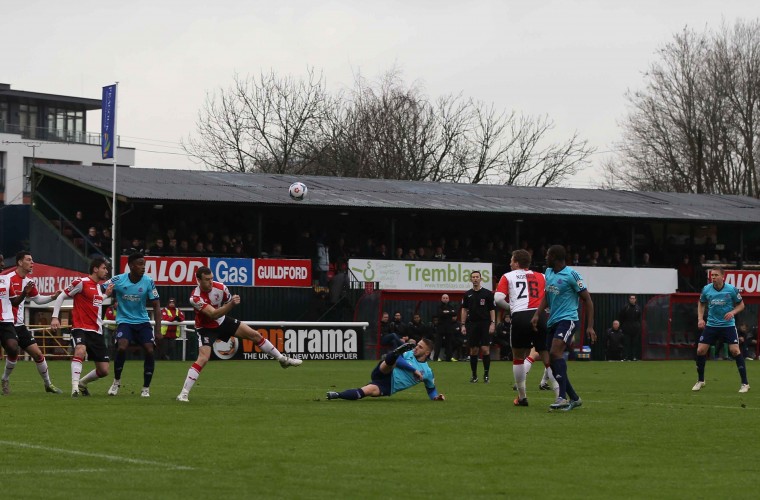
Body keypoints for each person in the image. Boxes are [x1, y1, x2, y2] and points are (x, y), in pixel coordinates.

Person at [176, 266, 302, 402]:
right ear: (198, 280)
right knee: (203, 358)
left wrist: (230, 303)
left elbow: (225, 304)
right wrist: (231, 305)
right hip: (205, 328)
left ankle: (282, 360)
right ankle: (183, 394)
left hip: (222, 321)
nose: (211, 282)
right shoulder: (195, 298)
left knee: (255, 335)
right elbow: (212, 314)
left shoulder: (221, 288)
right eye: (207, 279)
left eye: (212, 278)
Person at [531, 245, 596, 411]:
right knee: (550, 360)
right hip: (552, 321)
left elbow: (588, 300)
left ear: (555, 257)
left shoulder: (572, 275)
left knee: (554, 353)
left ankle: (561, 397)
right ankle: (574, 398)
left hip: (568, 319)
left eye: (547, 255)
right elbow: (546, 296)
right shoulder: (549, 273)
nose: (545, 258)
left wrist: (590, 326)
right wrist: (537, 314)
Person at [494, 249, 556, 406]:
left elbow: (498, 298)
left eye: (511, 260)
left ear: (516, 262)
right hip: (540, 316)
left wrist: (511, 308)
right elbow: (550, 296)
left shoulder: (507, 276)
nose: (509, 263)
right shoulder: (541, 276)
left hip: (520, 315)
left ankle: (522, 397)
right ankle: (559, 395)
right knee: (545, 355)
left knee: (518, 356)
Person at [50, 258, 113, 396]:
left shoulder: (98, 287)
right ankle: (74, 389)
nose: (106, 271)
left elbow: (95, 301)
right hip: (80, 327)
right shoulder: (81, 282)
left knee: (104, 370)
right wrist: (55, 317)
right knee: (80, 350)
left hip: (96, 330)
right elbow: (61, 296)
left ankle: (82, 383)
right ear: (95, 269)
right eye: (104, 268)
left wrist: (105, 295)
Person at [4, 251, 64, 394]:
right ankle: (5, 380)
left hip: (19, 325)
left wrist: (53, 297)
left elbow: (37, 299)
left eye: (32, 260)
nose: (32, 263)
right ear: (19, 262)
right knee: (13, 352)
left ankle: (48, 384)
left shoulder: (29, 281)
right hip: (5, 323)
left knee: (37, 354)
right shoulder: (7, 278)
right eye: (29, 260)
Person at [104, 253, 162, 397]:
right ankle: (116, 381)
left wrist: (158, 330)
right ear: (131, 266)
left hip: (142, 321)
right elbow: (100, 289)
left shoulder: (148, 281)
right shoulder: (118, 280)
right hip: (124, 321)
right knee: (122, 347)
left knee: (149, 350)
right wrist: (106, 294)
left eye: (144, 264)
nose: (143, 267)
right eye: (140, 264)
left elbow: (156, 305)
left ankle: (146, 388)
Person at [326, 338, 445, 401]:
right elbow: (399, 361)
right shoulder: (409, 354)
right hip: (386, 371)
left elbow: (431, 389)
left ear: (427, 352)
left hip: (388, 386)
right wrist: (413, 370)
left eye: (420, 347)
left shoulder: (428, 372)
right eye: (417, 345)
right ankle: (394, 353)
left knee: (366, 391)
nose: (416, 348)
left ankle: (337, 395)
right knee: (393, 361)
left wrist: (436, 397)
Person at [692, 267, 749, 393]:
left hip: (727, 325)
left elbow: (741, 304)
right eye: (712, 275)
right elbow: (701, 303)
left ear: (723, 276)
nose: (713, 277)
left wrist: (733, 312)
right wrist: (700, 319)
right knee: (700, 350)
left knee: (734, 351)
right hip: (711, 325)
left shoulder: (731, 289)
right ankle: (701, 380)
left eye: (716, 275)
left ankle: (745, 383)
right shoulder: (706, 289)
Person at [461, 270, 495, 383]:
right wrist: (463, 324)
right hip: (472, 324)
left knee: (485, 349)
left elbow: (492, 309)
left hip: (485, 323)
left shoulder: (487, 293)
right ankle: (474, 375)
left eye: (477, 277)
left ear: (481, 279)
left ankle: (486, 374)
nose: (475, 279)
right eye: (473, 277)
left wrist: (492, 323)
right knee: (474, 350)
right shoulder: (467, 294)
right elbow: (464, 310)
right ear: (471, 280)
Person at [434, 294, 458, 361]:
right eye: (444, 298)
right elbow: (439, 313)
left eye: (446, 298)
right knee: (438, 343)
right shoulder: (439, 306)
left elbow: (455, 313)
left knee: (449, 344)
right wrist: (449, 312)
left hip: (449, 327)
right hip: (440, 327)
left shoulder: (451, 306)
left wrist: (446, 312)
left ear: (448, 299)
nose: (445, 299)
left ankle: (448, 358)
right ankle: (435, 358)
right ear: (441, 299)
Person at [618, 295, 642, 361]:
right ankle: (625, 357)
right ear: (629, 299)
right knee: (626, 343)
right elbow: (621, 317)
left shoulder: (638, 308)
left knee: (635, 343)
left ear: (635, 299)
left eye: (633, 298)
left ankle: (634, 357)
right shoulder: (625, 308)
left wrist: (638, 326)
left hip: (635, 330)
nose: (632, 299)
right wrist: (624, 326)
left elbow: (639, 318)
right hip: (626, 329)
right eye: (631, 298)